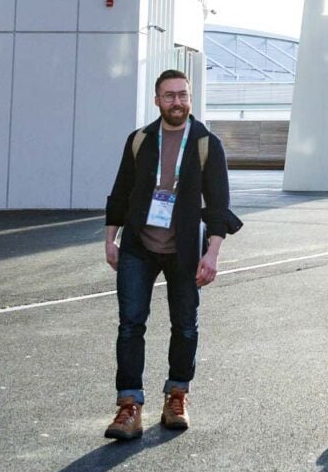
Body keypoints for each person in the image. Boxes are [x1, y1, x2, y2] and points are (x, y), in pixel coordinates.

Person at [101, 69, 243, 441]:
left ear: (190, 98)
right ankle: (129, 406)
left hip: (184, 249)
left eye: (182, 95)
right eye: (169, 95)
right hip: (137, 246)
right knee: (130, 325)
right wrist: (110, 239)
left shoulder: (205, 142)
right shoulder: (140, 140)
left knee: (184, 325)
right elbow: (121, 191)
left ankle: (177, 396)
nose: (176, 102)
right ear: (156, 100)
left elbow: (218, 204)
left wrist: (212, 253)